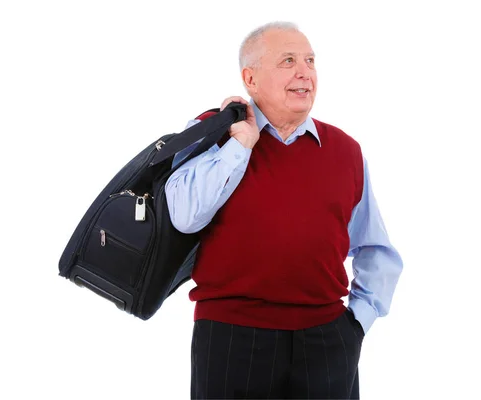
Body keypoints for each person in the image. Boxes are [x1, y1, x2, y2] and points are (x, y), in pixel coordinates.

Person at [165, 21, 403, 400]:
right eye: (288, 61)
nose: (304, 72)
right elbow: (183, 215)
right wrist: (239, 146)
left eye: (310, 61)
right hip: (231, 338)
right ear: (251, 78)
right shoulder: (211, 132)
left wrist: (356, 324)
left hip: (326, 340)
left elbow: (375, 247)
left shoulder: (345, 150)